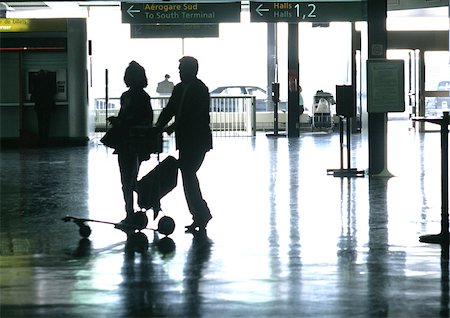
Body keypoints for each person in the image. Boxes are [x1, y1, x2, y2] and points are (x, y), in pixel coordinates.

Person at [155, 56, 212, 234]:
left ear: (191, 70)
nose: (179, 71)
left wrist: (171, 127)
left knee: (188, 174)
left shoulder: (200, 89)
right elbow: (170, 109)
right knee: (188, 175)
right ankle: (200, 214)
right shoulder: (180, 88)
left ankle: (201, 213)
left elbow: (192, 115)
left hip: (197, 140)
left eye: (181, 68)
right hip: (187, 141)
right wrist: (158, 126)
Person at [109, 61, 153, 224]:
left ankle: (130, 211)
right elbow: (146, 119)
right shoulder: (143, 97)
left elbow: (127, 118)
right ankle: (139, 203)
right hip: (136, 142)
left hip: (126, 142)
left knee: (126, 178)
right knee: (130, 177)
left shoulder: (126, 96)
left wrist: (120, 122)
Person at [30, 70, 56, 146]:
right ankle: (46, 140)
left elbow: (33, 95)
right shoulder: (49, 81)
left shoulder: (36, 82)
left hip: (39, 106)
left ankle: (41, 141)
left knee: (40, 123)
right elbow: (53, 92)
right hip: (48, 106)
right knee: (47, 123)